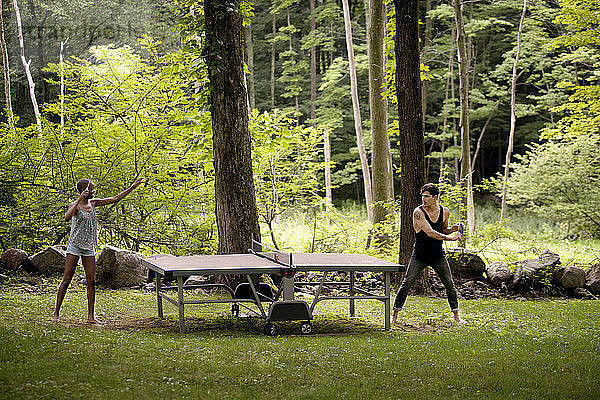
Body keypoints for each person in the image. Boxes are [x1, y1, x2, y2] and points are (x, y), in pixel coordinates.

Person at [52, 177, 146, 324]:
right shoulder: (75, 205)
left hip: (89, 247)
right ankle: (56, 313)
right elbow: (66, 217)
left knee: (92, 281)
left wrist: (133, 187)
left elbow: (115, 199)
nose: (94, 191)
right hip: (75, 246)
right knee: (66, 280)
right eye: (92, 189)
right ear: (85, 191)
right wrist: (79, 199)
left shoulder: (94, 203)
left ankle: (91, 316)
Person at [392, 183, 467, 324]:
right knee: (406, 283)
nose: (423, 199)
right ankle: (395, 314)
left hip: (438, 255)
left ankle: (457, 316)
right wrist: (451, 238)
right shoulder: (418, 212)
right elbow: (430, 232)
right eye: (422, 196)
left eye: (427, 196)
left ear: (435, 197)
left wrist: (453, 229)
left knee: (449, 284)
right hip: (419, 255)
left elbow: (443, 229)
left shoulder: (445, 211)